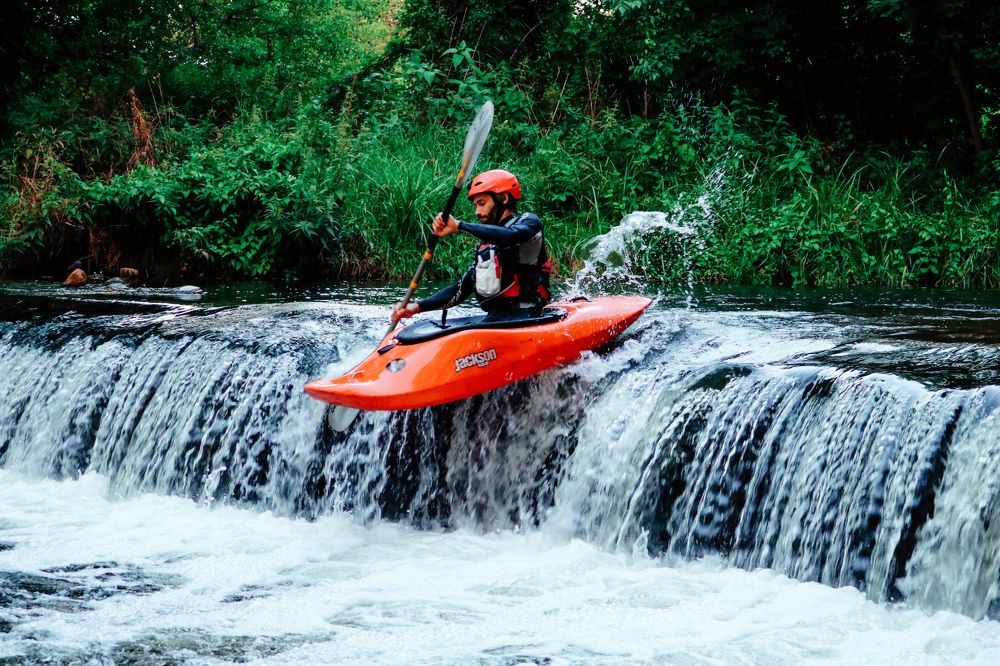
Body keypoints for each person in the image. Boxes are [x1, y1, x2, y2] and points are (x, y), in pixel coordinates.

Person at [391, 169, 551, 325]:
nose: (477, 211)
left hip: (529, 316)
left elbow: (510, 236)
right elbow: (460, 291)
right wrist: (415, 308)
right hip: (496, 320)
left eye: (482, 203)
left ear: (503, 198)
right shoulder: (487, 245)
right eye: (475, 205)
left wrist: (460, 225)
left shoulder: (529, 223)